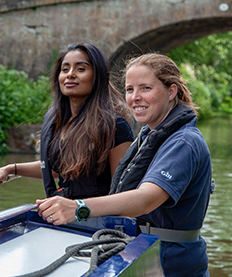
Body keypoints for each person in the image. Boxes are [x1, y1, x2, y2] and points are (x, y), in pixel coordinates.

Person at [37, 53, 212, 277]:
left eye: (145, 88)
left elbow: (146, 199)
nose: (135, 97)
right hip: (147, 253)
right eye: (130, 90)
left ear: (171, 91)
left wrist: (78, 208)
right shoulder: (150, 135)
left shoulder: (184, 142)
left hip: (171, 264)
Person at [0, 43, 134, 200]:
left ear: (98, 76)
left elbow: (123, 190)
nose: (70, 74)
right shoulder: (59, 121)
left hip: (96, 219)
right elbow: (59, 169)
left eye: (80, 69)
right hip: (62, 216)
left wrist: (79, 210)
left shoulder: (115, 126)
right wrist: (10, 169)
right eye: (65, 69)